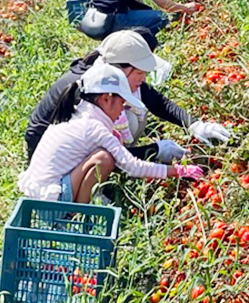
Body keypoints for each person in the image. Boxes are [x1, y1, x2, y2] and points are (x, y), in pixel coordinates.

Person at [25, 29, 231, 162]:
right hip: (52, 156)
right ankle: (89, 189)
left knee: (135, 113)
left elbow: (158, 102)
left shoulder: (112, 75)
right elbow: (107, 153)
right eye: (140, 72)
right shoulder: (89, 92)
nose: (144, 78)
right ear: (122, 68)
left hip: (82, 145)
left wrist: (195, 125)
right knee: (120, 133)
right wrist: (154, 151)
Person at [18, 63, 204, 204]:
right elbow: (133, 166)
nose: (122, 111)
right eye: (122, 103)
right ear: (106, 99)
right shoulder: (93, 127)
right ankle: (76, 214)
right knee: (104, 159)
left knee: (104, 154)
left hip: (40, 193)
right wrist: (177, 171)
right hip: (49, 200)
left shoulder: (79, 113)